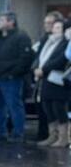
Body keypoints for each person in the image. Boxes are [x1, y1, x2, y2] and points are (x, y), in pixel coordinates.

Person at [0, 11, 34, 142]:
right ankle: (0, 132)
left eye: (2, 20)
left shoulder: (21, 37)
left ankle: (18, 133)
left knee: (14, 106)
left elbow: (26, 58)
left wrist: (13, 74)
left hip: (10, 79)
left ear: (11, 22)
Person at [33, 14, 71, 148]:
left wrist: (44, 69)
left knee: (58, 107)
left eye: (59, 27)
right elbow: (41, 57)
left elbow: (61, 59)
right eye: (54, 27)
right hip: (46, 79)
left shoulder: (65, 43)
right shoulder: (48, 41)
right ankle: (52, 135)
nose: (55, 29)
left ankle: (63, 137)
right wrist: (37, 68)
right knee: (47, 107)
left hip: (57, 79)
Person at [33, 12, 59, 142]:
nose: (47, 26)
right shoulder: (45, 39)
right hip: (41, 78)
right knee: (42, 107)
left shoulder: (59, 41)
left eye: (50, 23)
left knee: (54, 109)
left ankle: (55, 136)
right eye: (45, 23)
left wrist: (43, 69)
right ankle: (44, 134)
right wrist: (35, 68)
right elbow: (38, 56)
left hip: (52, 77)